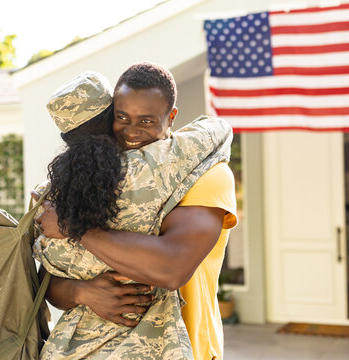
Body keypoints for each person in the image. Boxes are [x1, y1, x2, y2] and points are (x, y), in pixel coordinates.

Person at [38, 63, 237, 360]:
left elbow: (172, 268)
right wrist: (83, 292)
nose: (132, 132)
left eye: (146, 120)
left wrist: (72, 225)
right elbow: (48, 281)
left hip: (185, 348)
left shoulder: (208, 175)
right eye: (122, 118)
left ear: (170, 118)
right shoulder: (97, 181)